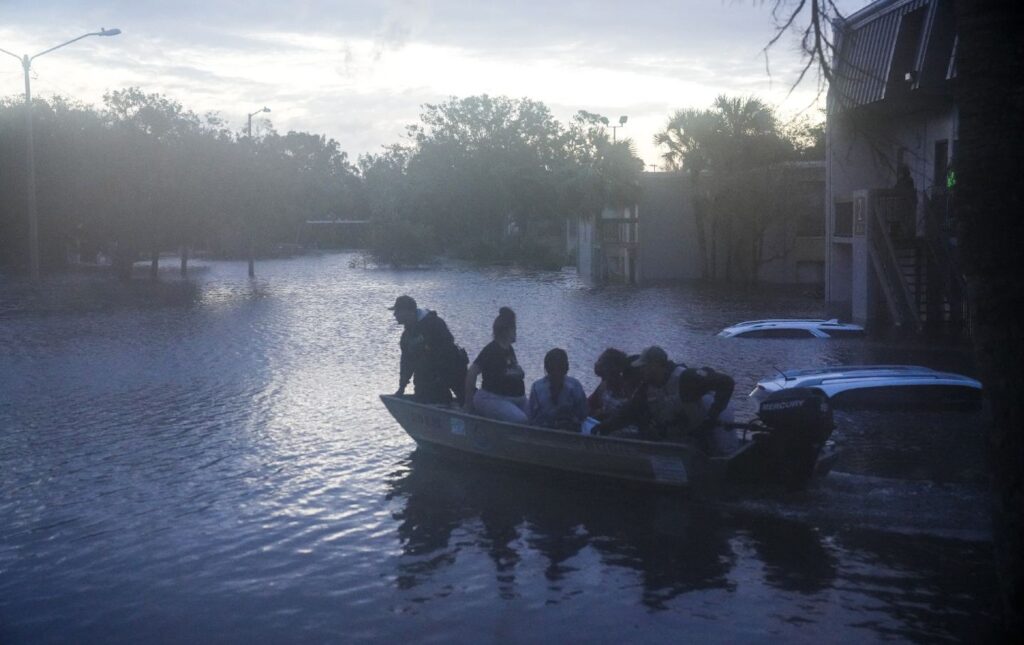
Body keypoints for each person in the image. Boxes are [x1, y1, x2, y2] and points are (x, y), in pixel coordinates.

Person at [593, 345, 735, 451]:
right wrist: (606, 426)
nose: (641, 371)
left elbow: (726, 383)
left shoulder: (687, 377)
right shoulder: (646, 387)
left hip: (702, 439)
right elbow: (630, 412)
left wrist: (711, 418)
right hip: (678, 439)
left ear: (656, 365)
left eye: (644, 367)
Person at [390, 295, 468, 405]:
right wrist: (401, 387)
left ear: (409, 311)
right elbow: (406, 362)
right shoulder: (406, 337)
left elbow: (448, 346)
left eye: (397, 311)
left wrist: (438, 374)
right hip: (428, 374)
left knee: (467, 397)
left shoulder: (434, 323)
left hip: (452, 367)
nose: (395, 315)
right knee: (424, 396)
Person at [464, 307, 528, 423]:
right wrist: (468, 404)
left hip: (515, 399)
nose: (516, 332)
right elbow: (472, 373)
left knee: (538, 416)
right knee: (521, 420)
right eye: (514, 328)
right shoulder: (491, 350)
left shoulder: (509, 349)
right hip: (491, 398)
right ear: (506, 331)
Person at [528, 348, 588, 431]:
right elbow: (583, 414)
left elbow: (531, 416)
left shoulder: (536, 387)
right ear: (567, 368)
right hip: (571, 434)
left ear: (546, 368)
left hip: (543, 433)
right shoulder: (575, 385)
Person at [587, 348, 636, 421]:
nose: (596, 364)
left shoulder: (626, 389)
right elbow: (589, 404)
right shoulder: (604, 384)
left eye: (600, 361)